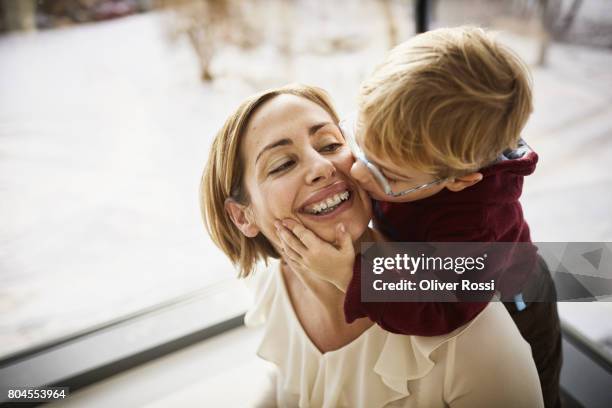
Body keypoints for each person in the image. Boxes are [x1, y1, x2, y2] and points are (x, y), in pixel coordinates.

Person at [200, 83, 544, 407]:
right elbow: (295, 382)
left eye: (331, 145)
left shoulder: (468, 330)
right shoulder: (273, 290)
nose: (322, 167)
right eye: (284, 163)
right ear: (243, 217)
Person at [274, 27, 561, 408]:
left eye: (388, 176)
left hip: (515, 298)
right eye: (360, 145)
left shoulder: (473, 227)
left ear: (459, 181)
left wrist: (349, 276)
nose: (358, 174)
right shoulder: (415, 153)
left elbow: (443, 309)